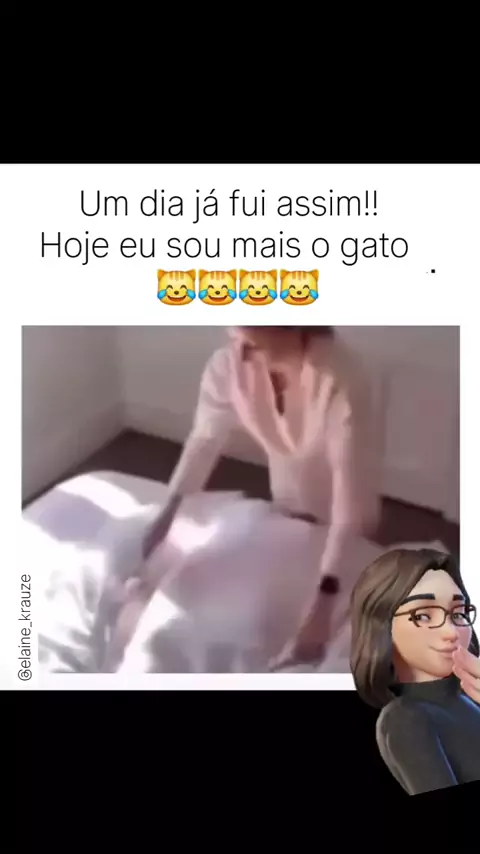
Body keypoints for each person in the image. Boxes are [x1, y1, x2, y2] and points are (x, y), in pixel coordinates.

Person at [135, 325, 381, 670]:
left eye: (253, 340)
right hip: (287, 502)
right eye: (237, 336)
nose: (241, 349)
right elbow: (204, 440)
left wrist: (323, 605)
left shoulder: (342, 377)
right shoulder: (230, 364)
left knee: (346, 613)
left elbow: (347, 494)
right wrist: (166, 516)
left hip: (346, 515)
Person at [350, 547, 480, 795]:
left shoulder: (471, 698)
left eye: (458, 613)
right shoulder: (406, 719)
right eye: (422, 616)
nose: (451, 632)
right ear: (382, 624)